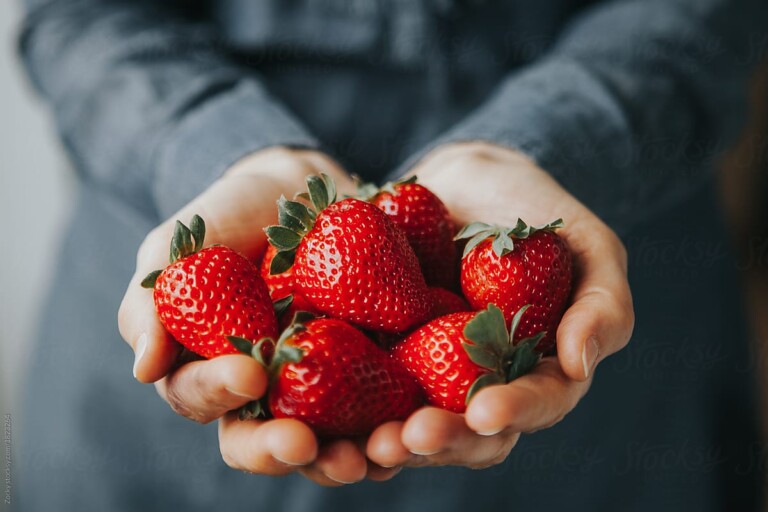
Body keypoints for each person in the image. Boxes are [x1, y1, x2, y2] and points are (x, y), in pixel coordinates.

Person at [15, 0, 767, 510]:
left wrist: (554, 141)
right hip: (157, 439)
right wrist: (216, 150)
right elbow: (78, 14)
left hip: (614, 422)